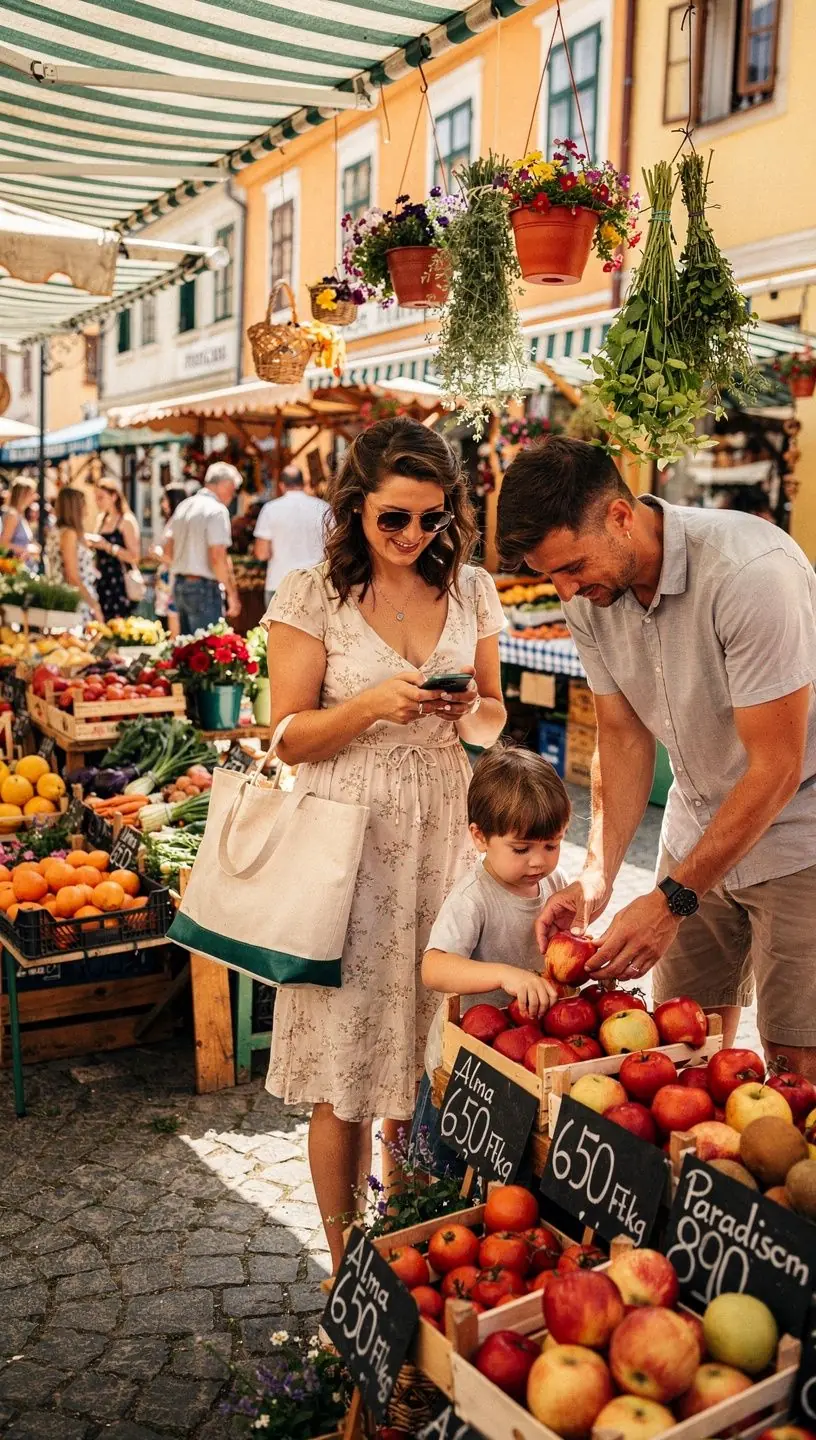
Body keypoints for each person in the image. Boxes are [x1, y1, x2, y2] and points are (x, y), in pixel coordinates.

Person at [264, 417, 507, 1269]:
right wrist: (373, 705)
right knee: (347, 1070)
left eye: (432, 519)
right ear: (354, 510)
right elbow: (285, 737)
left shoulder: (472, 590)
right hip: (348, 838)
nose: (413, 536)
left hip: (442, 826)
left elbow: (494, 710)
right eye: (393, 518)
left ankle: (410, 1247)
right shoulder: (311, 595)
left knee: (426, 1054)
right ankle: (345, 1270)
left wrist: (462, 712)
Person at [497, 435, 816, 1080]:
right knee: (683, 1041)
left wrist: (670, 899)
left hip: (800, 829)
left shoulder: (751, 574)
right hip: (696, 817)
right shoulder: (588, 593)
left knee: (795, 1056)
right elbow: (621, 733)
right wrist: (598, 875)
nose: (564, 587)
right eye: (549, 574)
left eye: (572, 566)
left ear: (621, 516)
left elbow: (777, 768)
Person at [411, 745, 569, 1176]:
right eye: (521, 848)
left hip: (519, 1060)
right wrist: (505, 975)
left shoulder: (553, 882)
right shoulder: (473, 899)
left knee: (507, 1172)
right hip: (464, 1065)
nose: (538, 860)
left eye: (551, 844)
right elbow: (435, 968)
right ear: (479, 837)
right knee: (445, 1175)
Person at [169, 461, 241, 635]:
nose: (232, 495)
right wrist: (232, 594)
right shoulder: (217, 510)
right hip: (203, 588)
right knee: (207, 652)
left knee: (187, 652)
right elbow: (217, 557)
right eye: (233, 489)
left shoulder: (184, 506)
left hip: (180, 584)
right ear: (224, 485)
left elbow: (167, 549)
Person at [253, 463, 330, 607]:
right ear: (304, 483)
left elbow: (262, 553)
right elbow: (333, 548)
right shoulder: (324, 508)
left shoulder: (270, 509)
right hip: (315, 585)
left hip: (279, 583)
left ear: (281, 485)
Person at [45, 485, 103, 624]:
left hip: (68, 599)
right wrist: (94, 605)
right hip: (75, 602)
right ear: (75, 508)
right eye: (84, 505)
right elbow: (72, 577)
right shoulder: (69, 534)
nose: (87, 510)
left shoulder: (58, 531)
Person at [88, 478, 142, 621]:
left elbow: (134, 557)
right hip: (101, 581)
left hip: (119, 583)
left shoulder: (126, 520)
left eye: (101, 497)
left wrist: (108, 546)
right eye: (96, 498)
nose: (97, 502)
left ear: (114, 496)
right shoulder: (101, 519)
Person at [153, 485, 187, 639]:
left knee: (172, 617)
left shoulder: (176, 521)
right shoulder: (175, 521)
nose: (162, 503)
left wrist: (157, 553)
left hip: (172, 576)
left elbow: (171, 556)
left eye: (165, 499)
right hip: (168, 577)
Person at [0, 480, 37, 562]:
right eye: (31, 493)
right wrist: (27, 550)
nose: (34, 497)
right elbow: (2, 544)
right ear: (22, 495)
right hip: (15, 569)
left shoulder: (20, 514)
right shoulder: (12, 515)